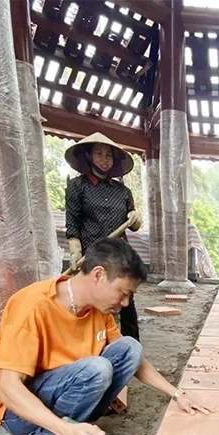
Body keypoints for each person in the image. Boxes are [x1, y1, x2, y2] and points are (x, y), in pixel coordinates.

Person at [0, 237, 208, 435]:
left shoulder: (97, 310)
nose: (124, 303)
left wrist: (177, 394)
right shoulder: (33, 307)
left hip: (66, 389)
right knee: (97, 369)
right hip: (20, 414)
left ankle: (71, 424)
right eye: (123, 293)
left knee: (130, 347)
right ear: (99, 275)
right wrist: (65, 429)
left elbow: (133, 360)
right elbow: (8, 389)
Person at [64, 133, 143, 340]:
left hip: (119, 255)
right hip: (92, 254)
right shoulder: (77, 187)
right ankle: (90, 347)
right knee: (92, 301)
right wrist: (75, 252)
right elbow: (72, 222)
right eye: (98, 153)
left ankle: (132, 348)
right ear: (89, 156)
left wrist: (135, 218)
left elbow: (134, 225)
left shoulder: (123, 191)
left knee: (126, 301)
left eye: (108, 155)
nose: (104, 159)